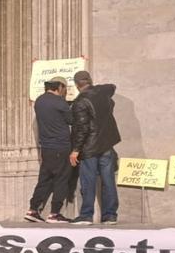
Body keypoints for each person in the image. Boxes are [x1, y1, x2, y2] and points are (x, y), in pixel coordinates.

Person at [69, 70, 122, 225]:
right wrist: (95, 87)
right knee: (108, 181)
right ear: (90, 81)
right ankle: (110, 215)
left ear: (77, 85)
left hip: (89, 148)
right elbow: (112, 86)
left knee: (88, 181)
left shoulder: (80, 102)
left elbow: (82, 129)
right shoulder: (103, 93)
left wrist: (75, 150)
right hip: (106, 145)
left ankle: (86, 215)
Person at [25, 78, 73, 223]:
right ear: (60, 87)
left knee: (44, 180)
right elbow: (71, 120)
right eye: (65, 89)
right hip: (61, 146)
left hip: (46, 148)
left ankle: (33, 210)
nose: (66, 92)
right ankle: (54, 214)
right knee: (61, 180)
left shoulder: (39, 101)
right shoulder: (60, 102)